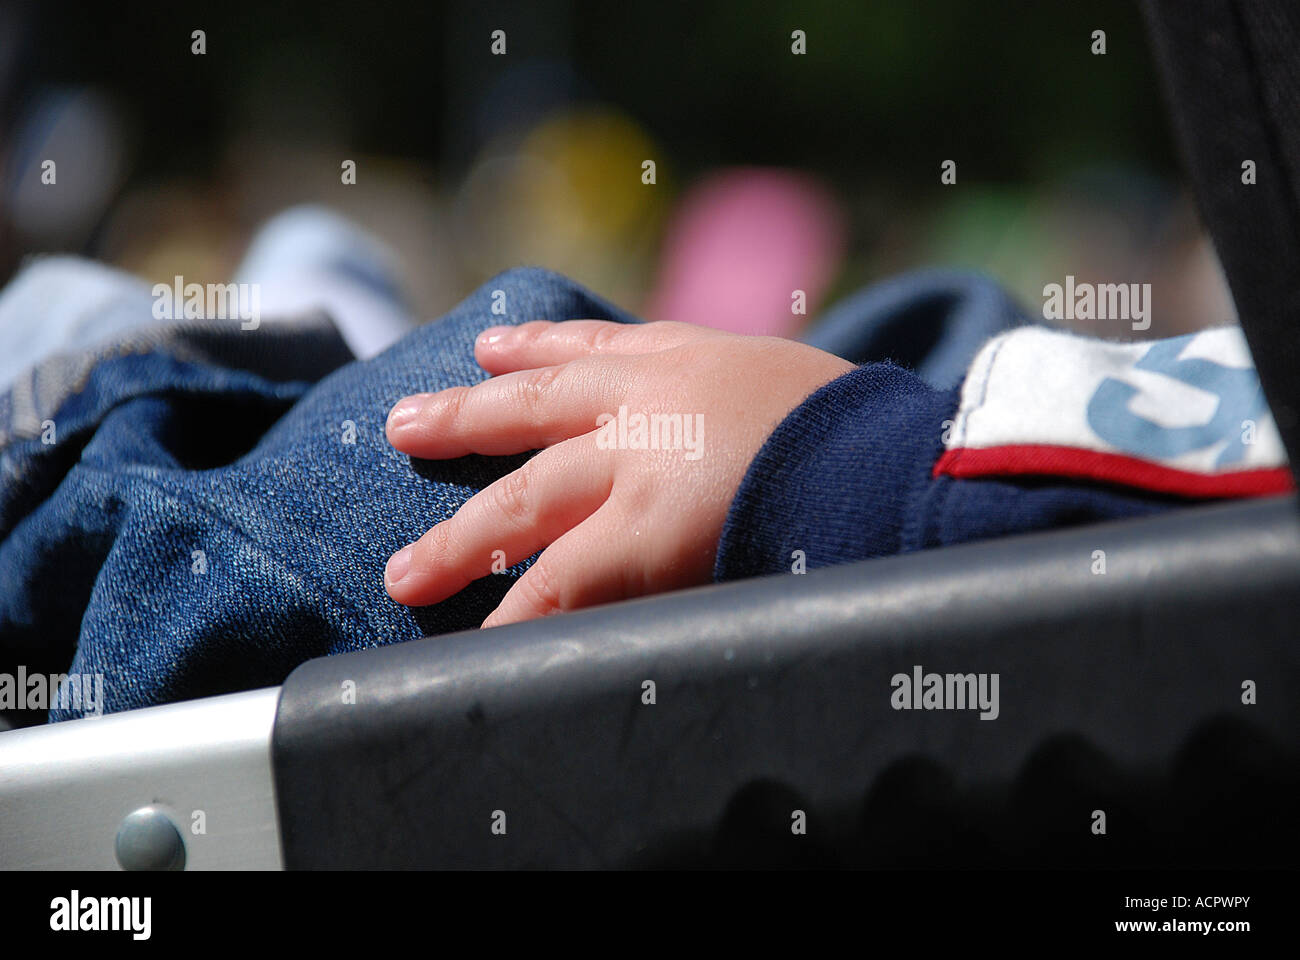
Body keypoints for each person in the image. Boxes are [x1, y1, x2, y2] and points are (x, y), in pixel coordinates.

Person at [0, 213, 1289, 722]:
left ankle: (215, 358)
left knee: (379, 511)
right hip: (987, 438)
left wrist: (827, 465)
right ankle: (274, 352)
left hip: (927, 486)